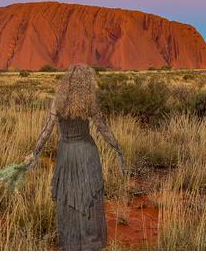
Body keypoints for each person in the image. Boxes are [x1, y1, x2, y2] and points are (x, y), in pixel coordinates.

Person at [23, 64, 128, 250]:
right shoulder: (89, 101)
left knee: (68, 194)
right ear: (86, 82)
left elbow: (47, 130)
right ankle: (91, 242)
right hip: (87, 152)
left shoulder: (58, 101)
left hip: (66, 153)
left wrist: (35, 152)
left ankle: (70, 241)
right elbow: (102, 128)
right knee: (89, 194)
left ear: (67, 81)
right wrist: (117, 148)